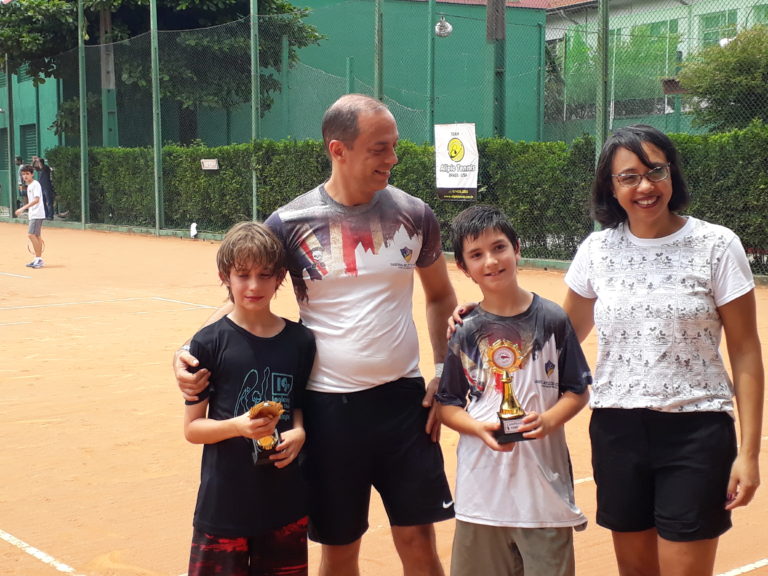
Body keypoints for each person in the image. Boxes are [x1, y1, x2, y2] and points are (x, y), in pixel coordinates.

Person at [175, 93, 458, 576]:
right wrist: (188, 350)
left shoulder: (415, 214)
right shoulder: (289, 223)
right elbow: (245, 292)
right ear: (338, 149)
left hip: (404, 403)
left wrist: (441, 370)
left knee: (418, 540)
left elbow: (440, 296)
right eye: (379, 148)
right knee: (340, 548)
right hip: (328, 410)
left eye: (394, 146)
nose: (392, 158)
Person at [562, 124, 764, 576]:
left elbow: (746, 350)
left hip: (697, 431)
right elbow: (559, 335)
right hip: (617, 431)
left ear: (672, 173)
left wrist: (749, 454)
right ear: (611, 187)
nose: (645, 186)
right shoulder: (597, 250)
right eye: (629, 177)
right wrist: (488, 318)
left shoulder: (716, 245)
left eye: (655, 170)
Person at [435, 205, 591, 576]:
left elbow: (577, 389)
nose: (491, 261)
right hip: (481, 498)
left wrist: (549, 420)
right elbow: (447, 404)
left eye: (499, 247)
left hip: (543, 499)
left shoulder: (553, 319)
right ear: (464, 267)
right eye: (476, 255)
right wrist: (478, 428)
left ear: (517, 249)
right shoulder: (465, 329)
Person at [184, 221, 316, 576]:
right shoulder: (208, 343)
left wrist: (299, 431)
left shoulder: (301, 341)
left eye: (264, 275)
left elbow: (297, 402)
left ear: (280, 278)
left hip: (285, 503)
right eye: (242, 275)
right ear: (224, 277)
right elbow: (193, 429)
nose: (254, 286)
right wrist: (238, 427)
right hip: (224, 504)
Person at [15, 164, 46, 269]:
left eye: (27, 174)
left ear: (32, 174)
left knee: (31, 235)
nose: (25, 176)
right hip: (34, 214)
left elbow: (36, 200)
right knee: (36, 236)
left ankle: (39, 259)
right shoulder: (29, 186)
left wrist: (22, 208)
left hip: (37, 214)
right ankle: (37, 259)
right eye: (23, 174)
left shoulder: (35, 184)